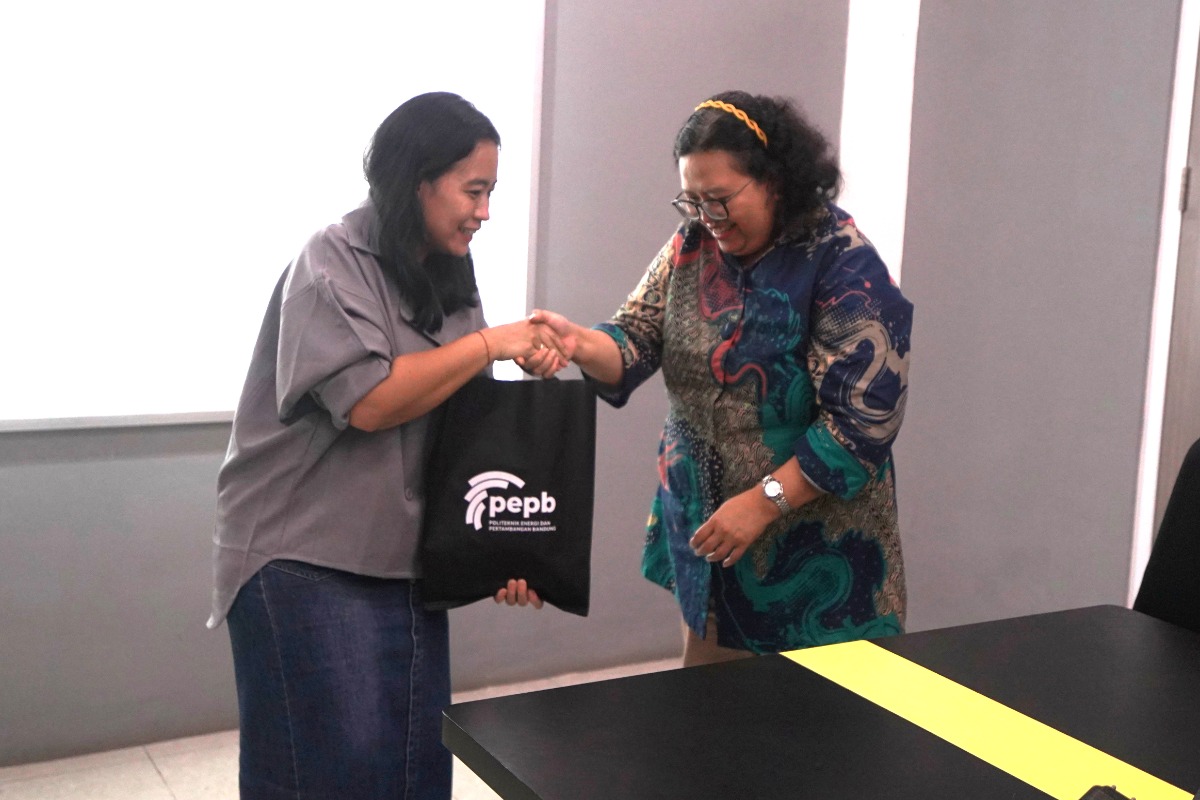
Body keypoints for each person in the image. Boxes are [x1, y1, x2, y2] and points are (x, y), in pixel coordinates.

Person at [207, 92, 565, 800]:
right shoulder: (331, 259)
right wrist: (490, 343)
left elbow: (467, 425)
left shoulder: (448, 272)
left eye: (492, 193)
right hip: (306, 558)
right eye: (473, 191)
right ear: (418, 181)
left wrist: (508, 551)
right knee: (331, 776)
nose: (485, 212)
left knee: (413, 771)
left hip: (403, 563)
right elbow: (369, 401)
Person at [528, 90, 913, 666]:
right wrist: (577, 343)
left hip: (819, 563)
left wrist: (763, 502)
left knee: (817, 719)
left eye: (720, 199)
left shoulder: (842, 262)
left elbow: (863, 424)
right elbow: (636, 338)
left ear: (775, 180)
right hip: (712, 543)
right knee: (707, 714)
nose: (707, 216)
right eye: (692, 201)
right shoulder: (692, 245)